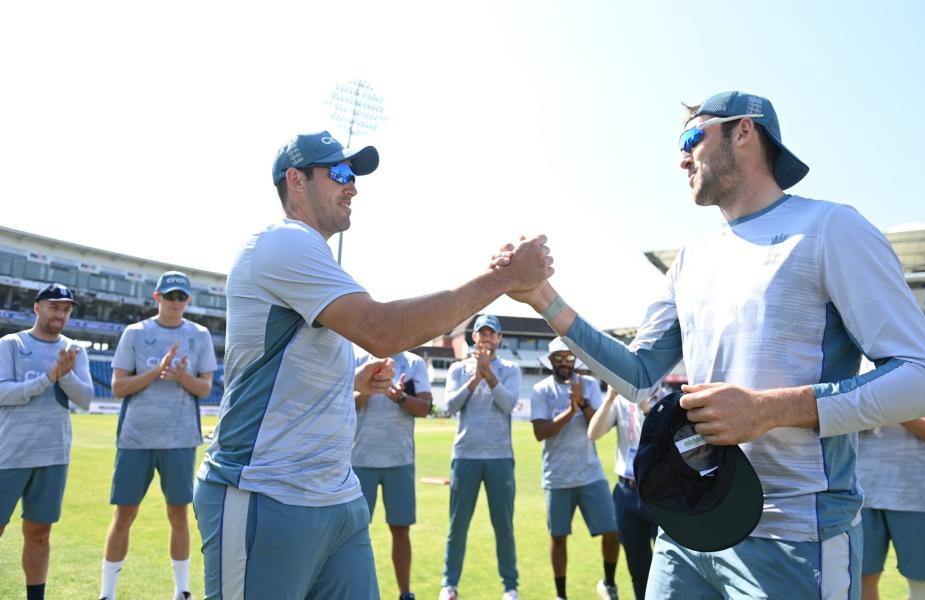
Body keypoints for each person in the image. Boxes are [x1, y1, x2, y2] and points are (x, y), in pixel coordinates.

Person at [504, 90, 925, 599]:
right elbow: (636, 376)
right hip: (691, 521)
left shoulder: (831, 227)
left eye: (690, 137)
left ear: (744, 131)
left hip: (795, 532)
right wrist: (543, 299)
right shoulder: (691, 257)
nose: (681, 157)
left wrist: (768, 409)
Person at [193, 131, 552, 600]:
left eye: (353, 175)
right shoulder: (280, 243)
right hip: (265, 492)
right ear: (296, 180)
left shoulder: (312, 256)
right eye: (339, 173)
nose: (353, 186)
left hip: (337, 496)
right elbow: (382, 329)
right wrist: (503, 278)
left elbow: (292, 367)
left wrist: (350, 382)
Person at [99, 271, 217, 600]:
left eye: (181, 297)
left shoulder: (200, 335)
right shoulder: (135, 333)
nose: (175, 302)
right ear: (157, 298)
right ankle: (107, 593)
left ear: (188, 300)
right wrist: (156, 371)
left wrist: (180, 375)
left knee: (179, 514)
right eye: (169, 296)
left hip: (180, 439)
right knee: (124, 514)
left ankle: (182, 590)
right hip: (136, 438)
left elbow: (205, 387)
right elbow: (118, 387)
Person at [0, 283, 93, 600]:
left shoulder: (74, 350)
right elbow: (2, 393)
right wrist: (48, 378)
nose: (61, 313)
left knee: (39, 533)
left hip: (53, 456)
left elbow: (86, 399)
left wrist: (65, 375)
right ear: (37, 307)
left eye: (66, 309)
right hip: (9, 454)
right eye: (55, 306)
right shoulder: (10, 344)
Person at [438, 314, 521, 600]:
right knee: (457, 525)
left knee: (504, 525)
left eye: (492, 334)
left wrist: (490, 374)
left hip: (499, 456)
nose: (486, 338)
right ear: (473, 337)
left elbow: (508, 405)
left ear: (499, 338)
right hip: (465, 455)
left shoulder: (510, 368)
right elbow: (450, 406)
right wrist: (476, 377)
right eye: (481, 333)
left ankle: (510, 587)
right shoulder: (458, 369)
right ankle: (449, 585)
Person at [530, 338, 620, 600]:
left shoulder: (590, 385)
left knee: (612, 532)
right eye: (558, 358)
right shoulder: (540, 390)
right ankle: (561, 594)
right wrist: (570, 411)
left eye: (568, 358)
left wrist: (581, 404)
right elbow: (540, 432)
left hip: (591, 474)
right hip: (557, 477)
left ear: (575, 360)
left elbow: (599, 430)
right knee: (558, 537)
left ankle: (609, 582)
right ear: (550, 362)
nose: (564, 364)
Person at [353, 350, 433, 600]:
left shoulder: (413, 363)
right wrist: (369, 389)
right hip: (360, 459)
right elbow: (341, 406)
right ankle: (353, 592)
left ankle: (405, 593)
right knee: (354, 533)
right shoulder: (357, 360)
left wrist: (400, 398)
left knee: (401, 530)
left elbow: (424, 407)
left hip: (400, 459)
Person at [858, 412, 925, 600]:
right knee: (861, 579)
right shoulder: (854, 380)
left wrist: (894, 410)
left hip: (915, 494)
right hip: (862, 493)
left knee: (922, 582)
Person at [587, 384, 659, 599]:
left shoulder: (666, 399)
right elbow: (593, 433)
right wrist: (609, 398)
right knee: (638, 569)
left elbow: (665, 442)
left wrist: (647, 410)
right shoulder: (620, 402)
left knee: (670, 564)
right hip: (626, 492)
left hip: (659, 493)